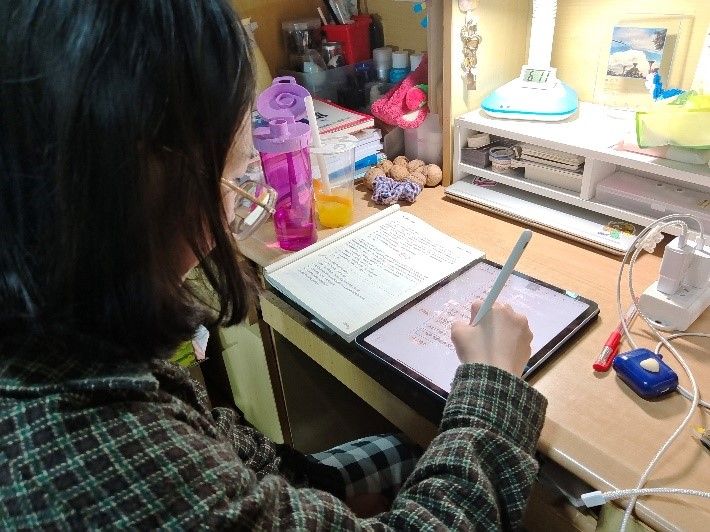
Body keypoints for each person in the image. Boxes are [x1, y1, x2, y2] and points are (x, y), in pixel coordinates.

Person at [0, 1, 547, 529]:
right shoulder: (113, 457)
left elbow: (246, 470)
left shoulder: (58, 345)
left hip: (278, 476)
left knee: (402, 450)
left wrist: (325, 500)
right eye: (236, 178)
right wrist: (493, 383)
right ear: (147, 179)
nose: (234, 208)